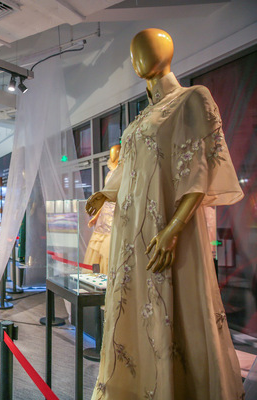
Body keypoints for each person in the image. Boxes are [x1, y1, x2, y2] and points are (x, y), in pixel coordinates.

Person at [86, 28, 244, 399]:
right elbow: (131, 171)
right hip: (130, 235)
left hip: (166, 231)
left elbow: (198, 173)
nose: (138, 58)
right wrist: (106, 193)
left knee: (174, 308)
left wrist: (173, 229)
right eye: (134, 52)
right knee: (132, 311)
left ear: (167, 53)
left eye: (145, 49)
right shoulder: (141, 118)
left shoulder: (191, 98)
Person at [83, 144, 120, 274]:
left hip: (117, 213)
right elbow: (105, 197)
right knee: (98, 248)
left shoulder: (124, 173)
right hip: (105, 214)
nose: (113, 156)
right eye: (112, 153)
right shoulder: (110, 173)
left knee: (110, 248)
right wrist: (97, 215)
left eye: (116, 153)